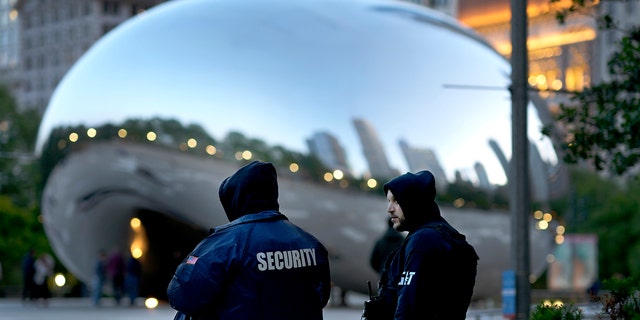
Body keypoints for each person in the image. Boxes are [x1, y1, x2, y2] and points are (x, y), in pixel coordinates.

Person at [167, 161, 331, 319]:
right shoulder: (311, 243)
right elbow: (321, 297)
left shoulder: (225, 243)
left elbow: (183, 296)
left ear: (237, 198)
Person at [362, 170, 479, 320]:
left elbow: (409, 308)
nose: (389, 209)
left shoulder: (421, 241)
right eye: (389, 201)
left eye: (396, 201)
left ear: (413, 202)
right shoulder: (445, 236)